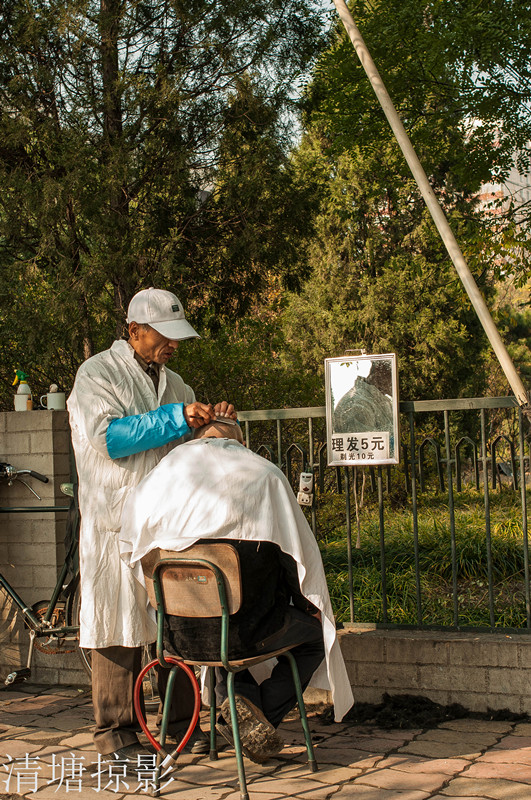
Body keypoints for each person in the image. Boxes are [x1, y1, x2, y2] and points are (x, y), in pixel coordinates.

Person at [120, 419, 354, 762]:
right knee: (316, 636)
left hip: (176, 635)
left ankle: (239, 708)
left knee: (217, 618)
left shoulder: (158, 478)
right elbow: (295, 557)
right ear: (239, 439)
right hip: (248, 629)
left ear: (199, 437)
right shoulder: (262, 475)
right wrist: (308, 605)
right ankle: (259, 717)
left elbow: (133, 552)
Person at [67, 287, 236, 759]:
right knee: (117, 626)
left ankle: (180, 727)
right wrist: (175, 417)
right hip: (116, 520)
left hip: (169, 520)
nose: (174, 345)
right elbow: (110, 438)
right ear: (134, 331)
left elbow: (192, 447)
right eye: (165, 335)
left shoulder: (176, 382)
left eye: (178, 337)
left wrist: (212, 423)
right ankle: (115, 735)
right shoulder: (96, 374)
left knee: (175, 622)